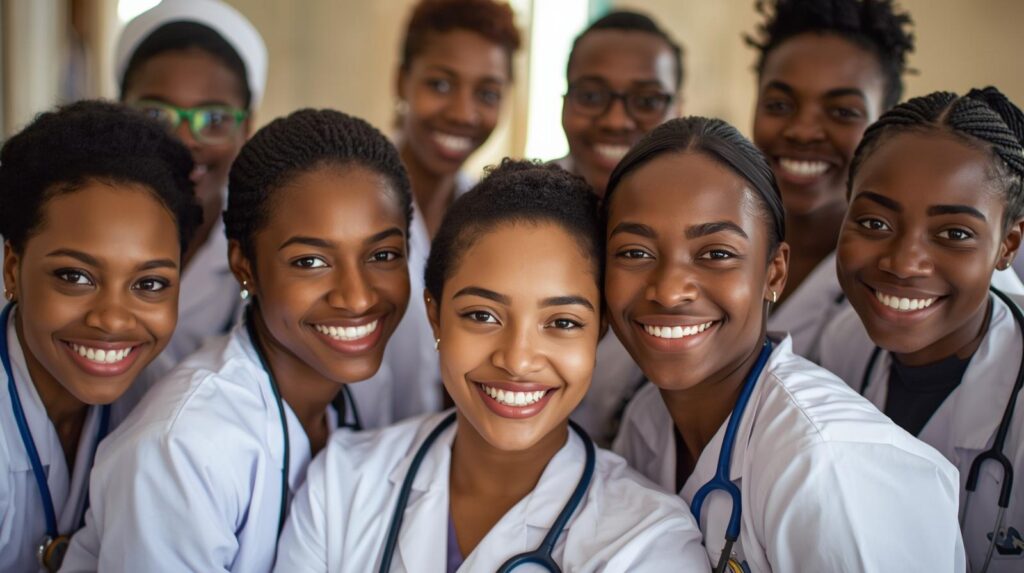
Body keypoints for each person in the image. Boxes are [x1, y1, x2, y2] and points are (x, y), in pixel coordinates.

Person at [273, 160, 710, 572]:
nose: (517, 360)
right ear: (435, 315)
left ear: (598, 333)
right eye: (482, 316)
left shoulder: (650, 542)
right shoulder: (342, 484)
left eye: (562, 322)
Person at [60, 109, 412, 572]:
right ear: (244, 265)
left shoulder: (357, 396)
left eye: (382, 254)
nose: (357, 296)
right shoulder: (184, 448)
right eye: (310, 262)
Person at [608, 117, 964, 571]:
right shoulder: (648, 422)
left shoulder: (830, 465)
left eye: (716, 254)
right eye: (635, 253)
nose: (670, 290)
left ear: (774, 272)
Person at [819, 88, 1024, 572]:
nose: (904, 263)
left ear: (1007, 246)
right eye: (874, 221)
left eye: (954, 233)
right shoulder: (841, 343)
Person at [0, 101, 199, 572]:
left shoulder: (166, 402)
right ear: (13, 269)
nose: (112, 320)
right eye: (75, 276)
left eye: (149, 284)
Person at [361, 0, 522, 428]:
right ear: (402, 81)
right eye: (441, 84)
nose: (463, 113)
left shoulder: (488, 214)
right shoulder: (354, 203)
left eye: (487, 93)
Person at [748, 0, 916, 360]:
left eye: (842, 112)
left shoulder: (908, 275)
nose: (803, 131)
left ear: (885, 126)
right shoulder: (712, 239)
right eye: (779, 105)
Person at [115, 0, 267, 373]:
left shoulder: (264, 245)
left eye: (213, 118)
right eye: (156, 114)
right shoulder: (63, 228)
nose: (183, 140)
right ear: (119, 112)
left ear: (245, 130)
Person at [556, 10, 683, 446]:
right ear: (564, 102)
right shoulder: (510, 212)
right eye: (592, 96)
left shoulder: (706, 227)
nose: (614, 120)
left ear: (678, 108)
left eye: (646, 101)